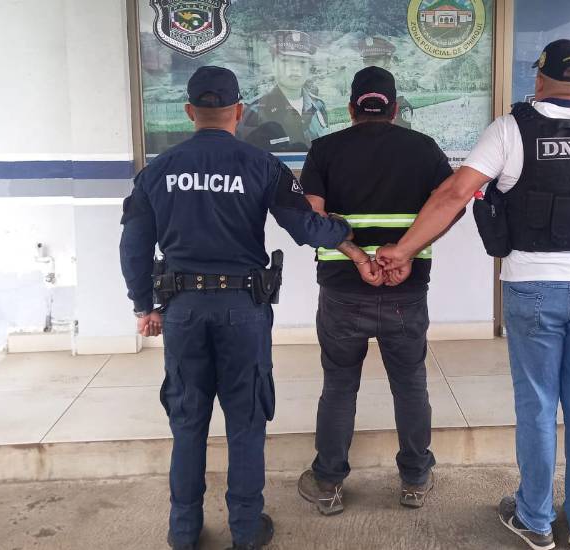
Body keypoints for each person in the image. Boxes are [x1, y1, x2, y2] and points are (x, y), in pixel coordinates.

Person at [377, 39, 570, 550]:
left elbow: (453, 194)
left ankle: (535, 518)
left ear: (539, 79)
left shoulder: (509, 130)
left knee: (537, 405)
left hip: (532, 289)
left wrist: (403, 249)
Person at [119, 66, 352, 550]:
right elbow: (306, 228)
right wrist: (343, 230)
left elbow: (133, 247)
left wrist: (144, 305)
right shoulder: (261, 164)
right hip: (243, 310)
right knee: (246, 420)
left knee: (187, 420)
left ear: (190, 111)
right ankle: (246, 529)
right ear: (239, 111)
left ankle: (183, 529)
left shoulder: (157, 171)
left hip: (182, 310)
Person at [295, 66, 456, 515]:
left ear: (351, 108)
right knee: (410, 384)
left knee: (339, 386)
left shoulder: (324, 149)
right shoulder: (423, 149)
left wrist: (356, 254)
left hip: (343, 291)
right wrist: (406, 252)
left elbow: (312, 218)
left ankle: (328, 482)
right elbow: (451, 207)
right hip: (406, 289)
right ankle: (415, 480)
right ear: (395, 108)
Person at [237, 30, 329, 151]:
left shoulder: (318, 106)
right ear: (273, 65)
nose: (295, 68)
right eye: (286, 60)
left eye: (302, 61)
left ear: (309, 66)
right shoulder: (254, 111)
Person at [358, 36, 414, 128]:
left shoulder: (398, 102)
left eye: (376, 59)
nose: (370, 64)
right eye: (366, 60)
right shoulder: (361, 93)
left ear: (387, 61)